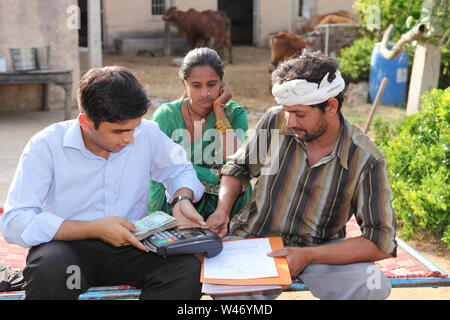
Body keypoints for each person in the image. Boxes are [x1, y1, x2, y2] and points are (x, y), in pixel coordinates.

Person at [0, 66, 205, 300]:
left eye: (134, 127)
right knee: (51, 270)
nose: (129, 138)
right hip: (69, 251)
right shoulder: (46, 145)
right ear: (86, 123)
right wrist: (93, 228)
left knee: (187, 270)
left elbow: (179, 169)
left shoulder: (144, 133)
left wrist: (181, 198)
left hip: (130, 248)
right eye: (118, 131)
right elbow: (14, 222)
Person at [213, 51, 397, 300]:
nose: (289, 122)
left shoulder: (367, 159)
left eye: (300, 114)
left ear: (330, 106)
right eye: (287, 111)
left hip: (320, 250)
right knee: (231, 295)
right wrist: (223, 209)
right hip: (257, 242)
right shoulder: (274, 121)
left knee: (372, 288)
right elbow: (239, 168)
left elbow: (381, 241)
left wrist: (309, 255)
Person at [148, 47, 251, 237]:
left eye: (212, 84)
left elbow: (237, 161)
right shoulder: (167, 115)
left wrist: (219, 111)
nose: (205, 93)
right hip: (176, 203)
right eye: (196, 85)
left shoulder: (234, 114)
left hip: (225, 204)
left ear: (222, 82)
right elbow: (157, 168)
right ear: (184, 83)